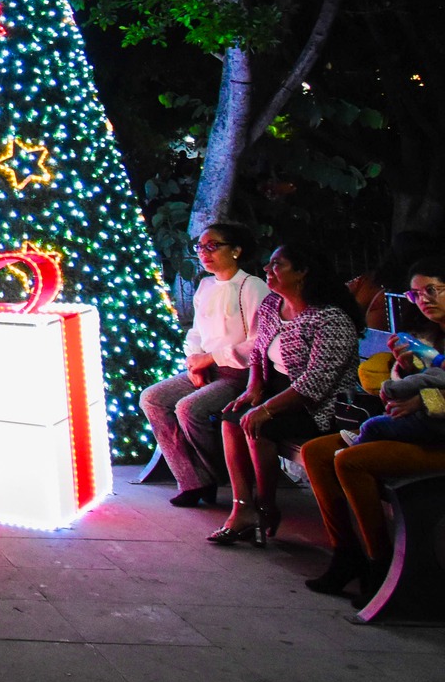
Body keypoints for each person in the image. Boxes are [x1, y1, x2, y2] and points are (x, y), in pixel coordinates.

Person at [298, 259, 445, 596]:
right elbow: (400, 388)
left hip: (437, 439)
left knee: (352, 460)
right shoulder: (423, 335)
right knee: (316, 452)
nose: (424, 299)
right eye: (416, 293)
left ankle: (381, 564)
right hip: (416, 429)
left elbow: (425, 396)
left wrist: (424, 401)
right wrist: (405, 370)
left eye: (432, 290)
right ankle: (346, 554)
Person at [208, 243, 361, 546]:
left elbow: (315, 383)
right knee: (230, 417)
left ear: (303, 272)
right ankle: (243, 508)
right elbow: (258, 353)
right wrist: (254, 389)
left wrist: (265, 409)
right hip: (278, 393)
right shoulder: (272, 305)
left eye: (278, 264)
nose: (267, 269)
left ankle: (266, 506)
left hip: (319, 408)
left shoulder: (330, 319)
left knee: (259, 424)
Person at [140, 222, 268, 507]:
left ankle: (215, 476)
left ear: (236, 250)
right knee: (152, 398)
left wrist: (210, 359)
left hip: (239, 374)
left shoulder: (252, 286)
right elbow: (196, 332)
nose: (204, 253)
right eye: (200, 247)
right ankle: (192, 480)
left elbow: (257, 344)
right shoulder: (206, 285)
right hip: (205, 367)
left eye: (213, 246)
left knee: (189, 408)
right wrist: (194, 362)